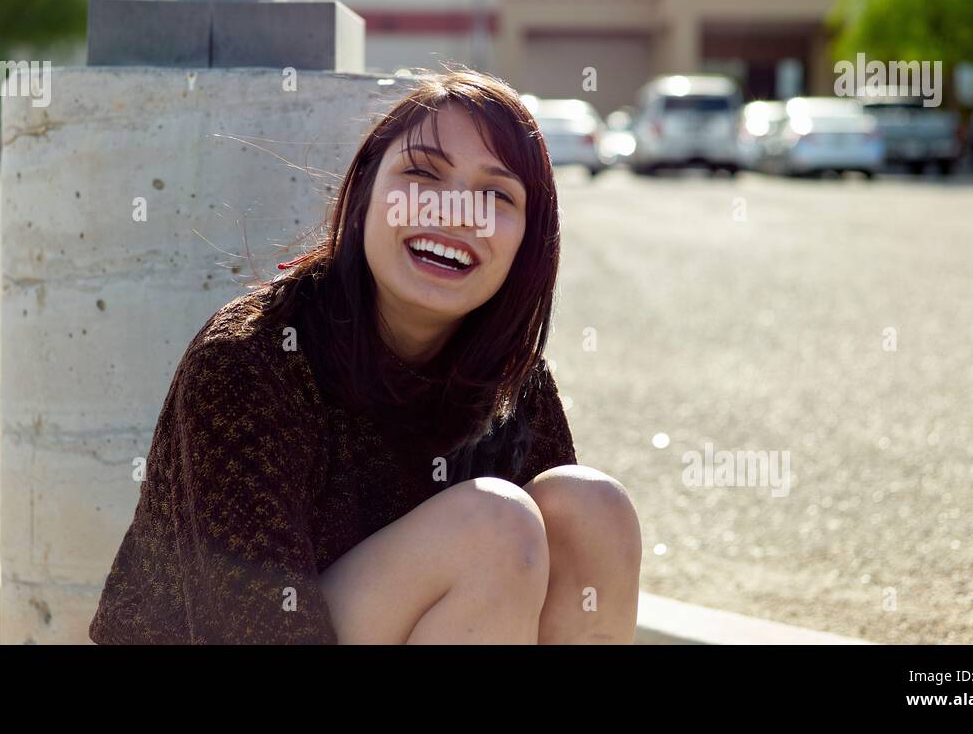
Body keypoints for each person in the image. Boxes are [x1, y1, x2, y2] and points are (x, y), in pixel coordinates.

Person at [88, 67, 642, 644]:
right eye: (423, 174)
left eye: (494, 194)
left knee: (591, 509)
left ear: (530, 243)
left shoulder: (512, 381)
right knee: (493, 529)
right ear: (364, 196)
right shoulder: (251, 361)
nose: (453, 214)